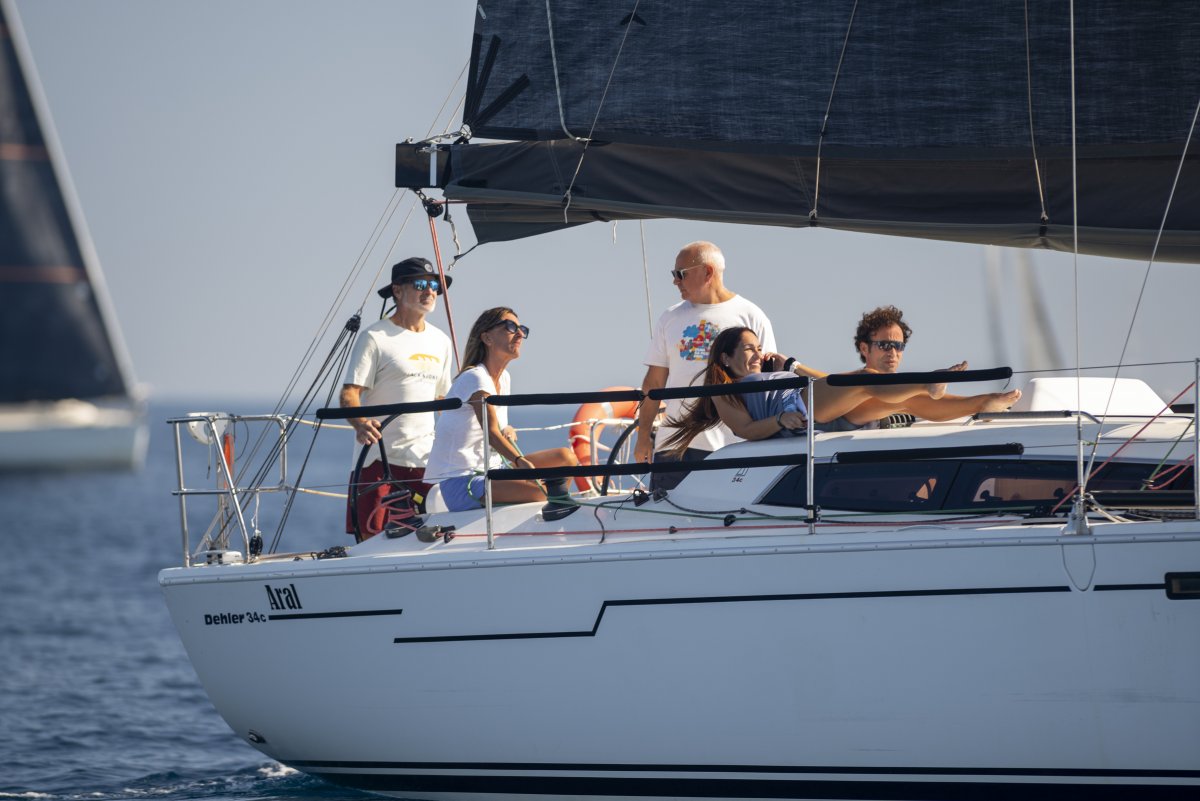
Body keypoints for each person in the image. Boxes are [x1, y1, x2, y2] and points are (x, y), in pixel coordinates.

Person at [662, 327, 951, 452]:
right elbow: (746, 429)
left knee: (906, 402)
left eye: (758, 349)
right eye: (749, 349)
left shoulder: (765, 376)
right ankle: (927, 383)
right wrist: (778, 420)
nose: (756, 355)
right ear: (725, 357)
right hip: (801, 410)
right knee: (863, 379)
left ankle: (988, 401)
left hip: (813, 408)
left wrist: (784, 367)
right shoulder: (722, 391)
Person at [634, 241, 776, 490]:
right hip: (674, 446)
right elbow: (654, 382)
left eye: (681, 274)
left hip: (732, 446)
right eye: (674, 274)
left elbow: (768, 380)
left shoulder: (751, 316)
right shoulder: (669, 317)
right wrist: (643, 435)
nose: (675, 281)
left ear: (708, 272)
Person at [340, 257, 454, 540]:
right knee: (372, 542)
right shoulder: (375, 337)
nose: (429, 291)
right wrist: (360, 423)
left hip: (427, 461)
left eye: (434, 285)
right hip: (378, 462)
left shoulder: (442, 341)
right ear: (397, 291)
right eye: (420, 284)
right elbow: (350, 394)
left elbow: (445, 399)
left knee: (434, 539)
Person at [424, 307, 579, 514]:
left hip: (495, 470)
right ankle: (549, 508)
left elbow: (497, 427)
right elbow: (491, 433)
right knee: (542, 491)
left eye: (522, 328)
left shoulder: (503, 378)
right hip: (463, 482)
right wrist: (519, 461)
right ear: (487, 337)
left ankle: (550, 509)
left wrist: (508, 428)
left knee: (566, 457)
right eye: (510, 327)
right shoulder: (475, 378)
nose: (520, 334)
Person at [787, 306, 1021, 430]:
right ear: (865, 349)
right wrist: (793, 366)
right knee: (872, 383)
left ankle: (981, 402)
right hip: (828, 422)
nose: (893, 352)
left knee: (906, 398)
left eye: (899, 346)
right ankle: (929, 383)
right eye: (885, 345)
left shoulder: (898, 390)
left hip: (870, 416)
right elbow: (829, 380)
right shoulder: (860, 378)